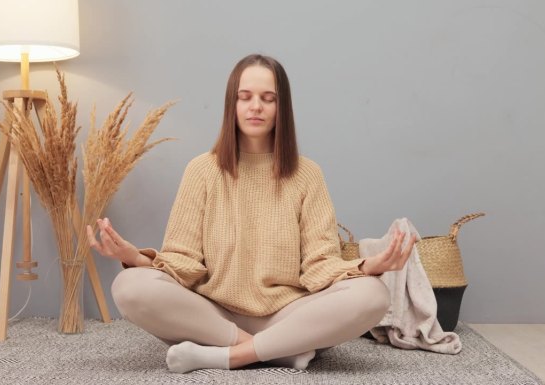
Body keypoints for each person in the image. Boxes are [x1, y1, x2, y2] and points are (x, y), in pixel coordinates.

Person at [87, 54, 416, 373]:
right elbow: (182, 263)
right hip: (213, 316)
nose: (255, 106)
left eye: (267, 98)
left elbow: (321, 266)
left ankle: (228, 356)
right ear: (232, 104)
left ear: (281, 107)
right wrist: (136, 257)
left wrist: (370, 266)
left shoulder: (307, 174)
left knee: (373, 295)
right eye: (245, 97)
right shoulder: (202, 170)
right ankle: (277, 352)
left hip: (289, 314)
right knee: (129, 285)